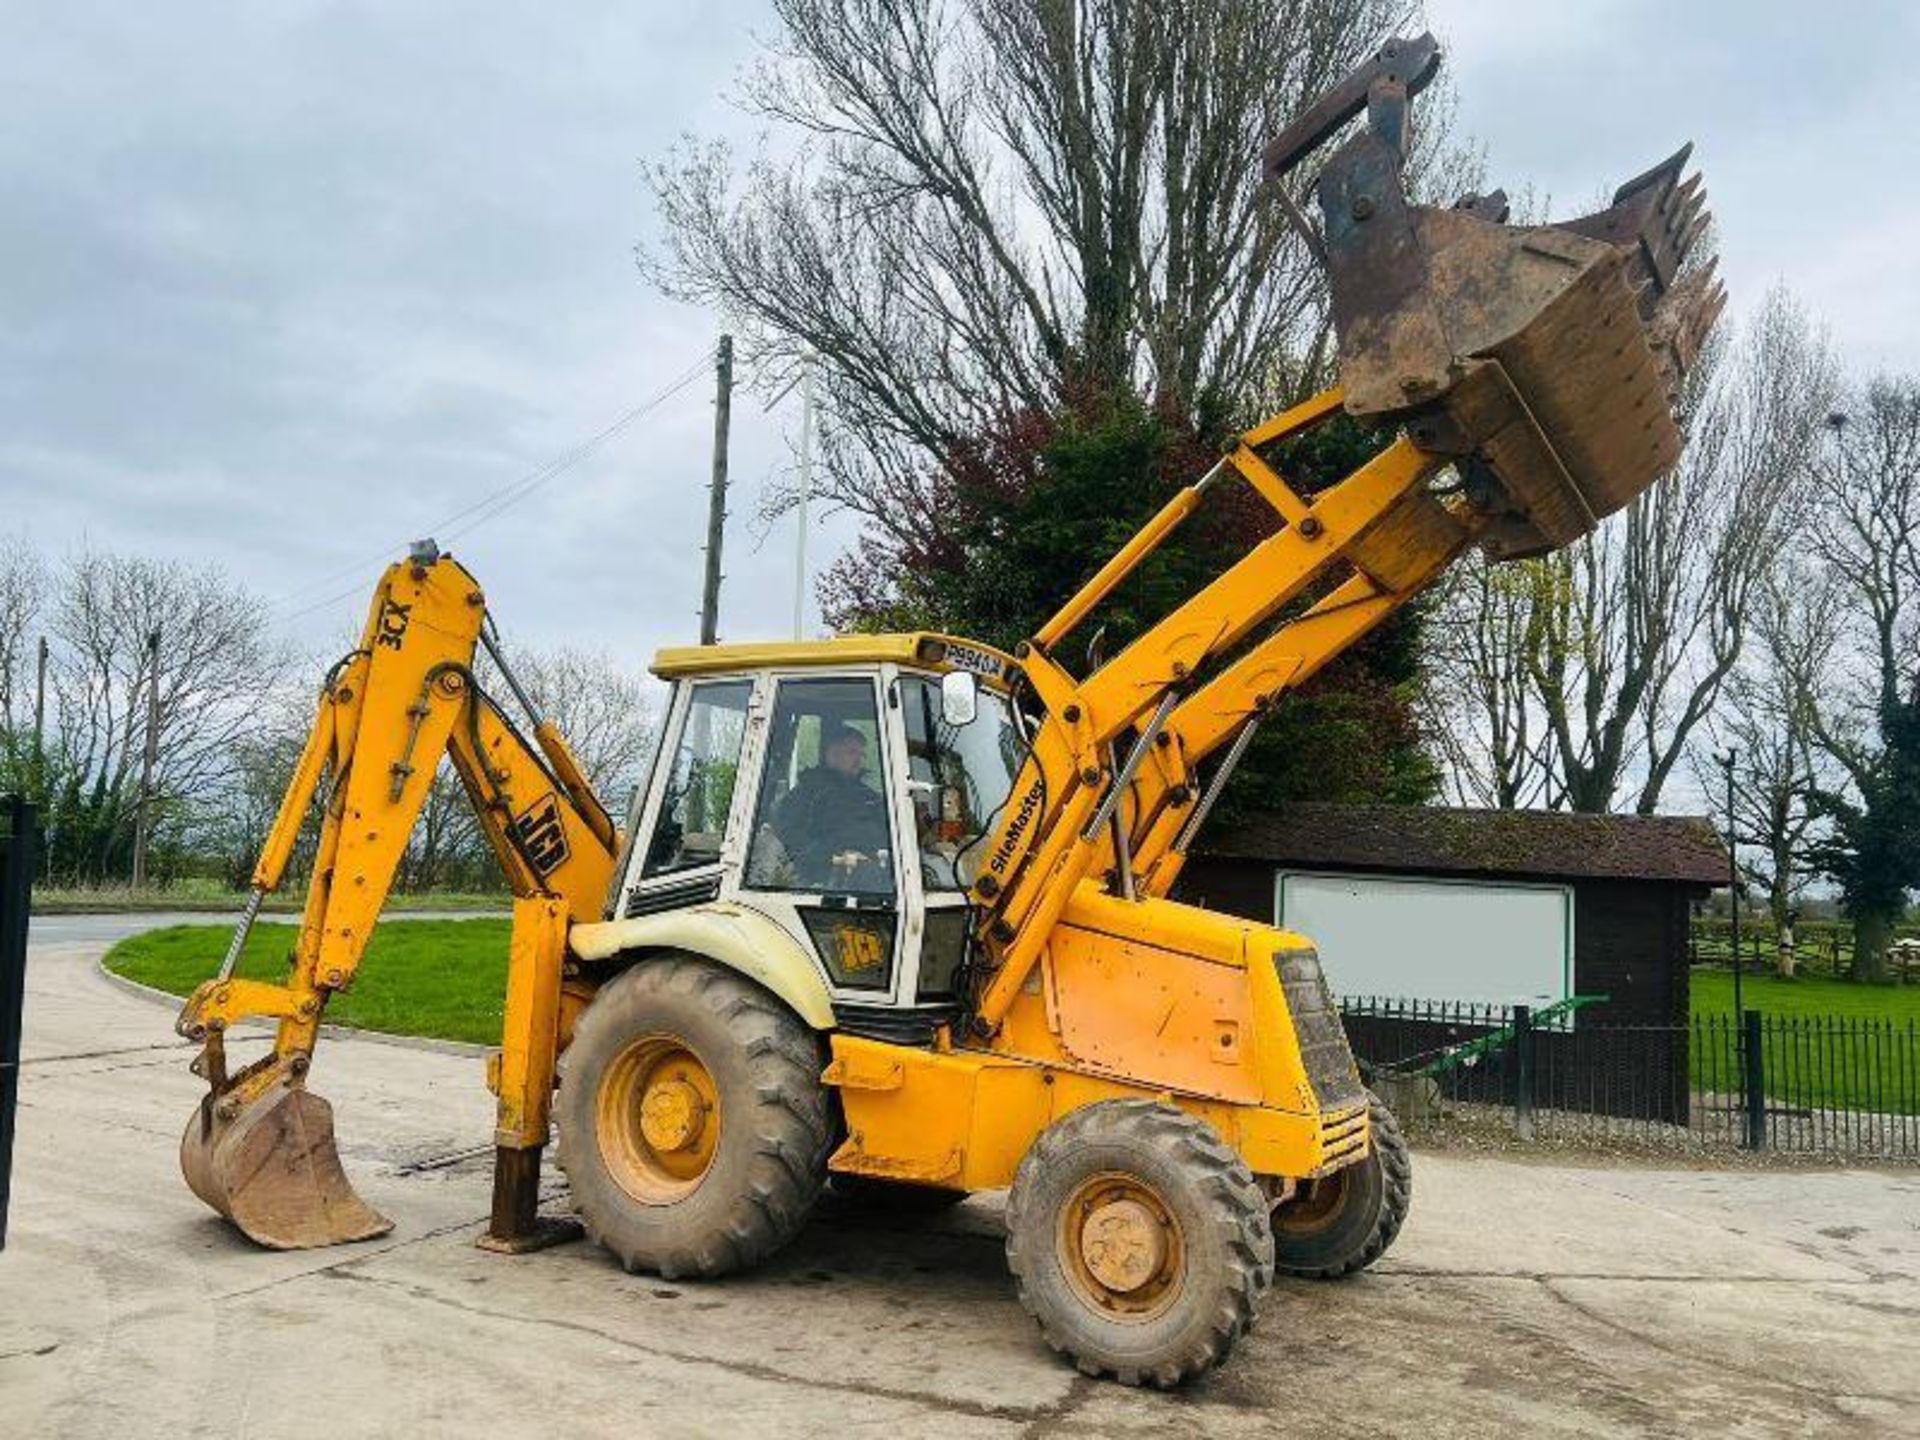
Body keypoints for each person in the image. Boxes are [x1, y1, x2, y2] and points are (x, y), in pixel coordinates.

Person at [771, 724, 892, 891]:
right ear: (832, 755)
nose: (859, 760)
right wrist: (836, 857)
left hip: (878, 881)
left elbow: (888, 830)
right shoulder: (805, 796)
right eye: (852, 753)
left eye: (861, 754)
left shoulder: (869, 797)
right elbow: (793, 845)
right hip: (822, 884)